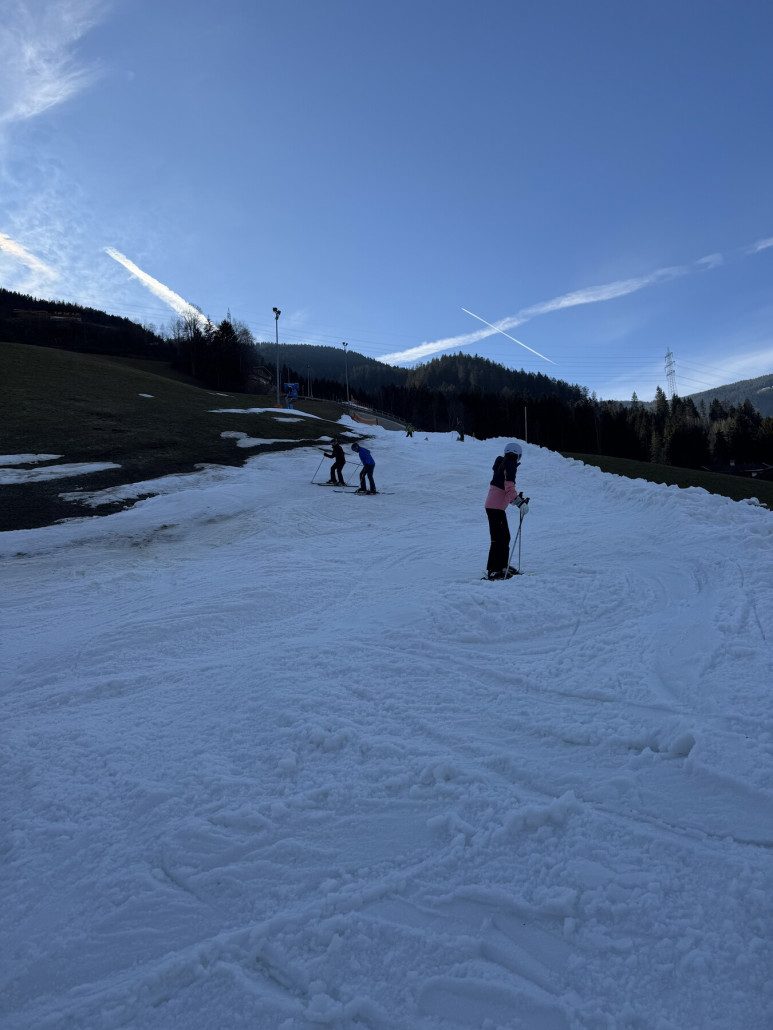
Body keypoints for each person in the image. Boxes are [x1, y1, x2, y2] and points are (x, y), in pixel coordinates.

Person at [484, 441, 526, 579]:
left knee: (504, 537)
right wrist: (519, 503)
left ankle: (502, 566)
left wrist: (517, 499)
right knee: (498, 538)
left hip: (495, 506)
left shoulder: (504, 463)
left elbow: (504, 489)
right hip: (495, 508)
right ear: (517, 455)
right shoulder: (510, 465)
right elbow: (509, 488)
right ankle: (493, 570)